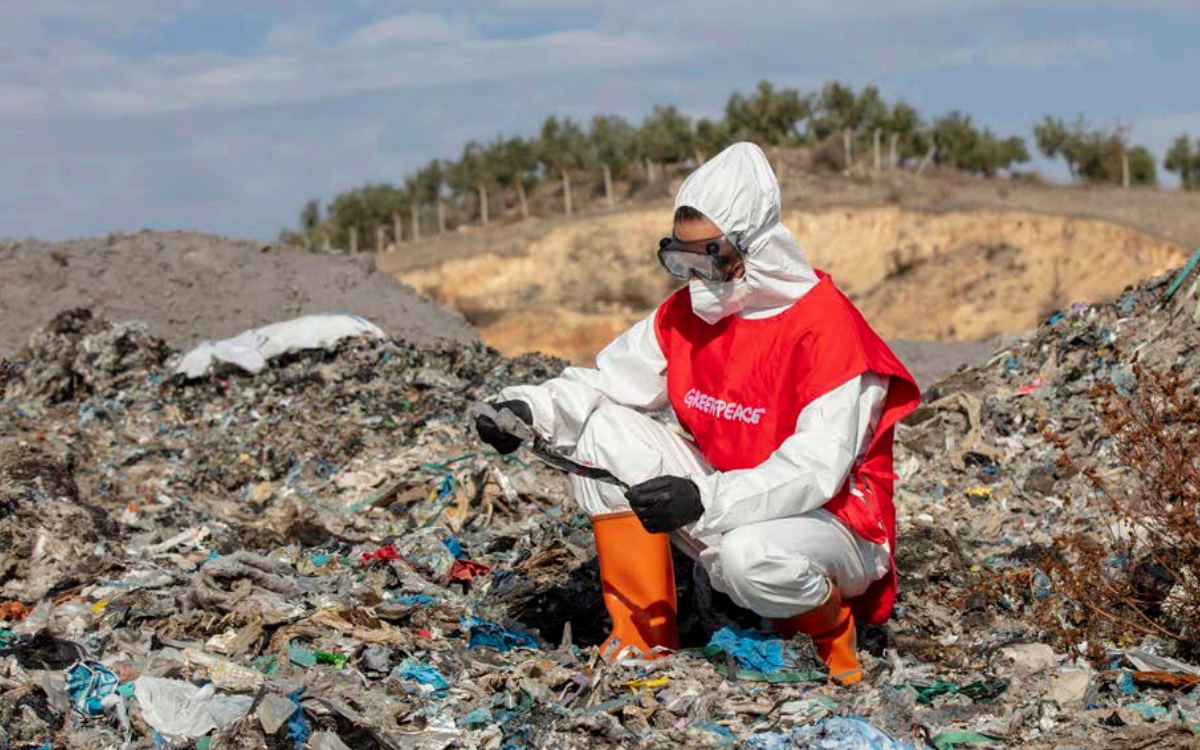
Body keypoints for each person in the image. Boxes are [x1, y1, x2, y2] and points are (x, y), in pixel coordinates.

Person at [474, 142, 919, 685]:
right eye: (679, 257)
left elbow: (815, 470)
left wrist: (704, 500)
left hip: (834, 523)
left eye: (709, 256)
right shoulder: (688, 315)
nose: (695, 275)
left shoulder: (827, 329)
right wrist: (528, 410)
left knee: (747, 557)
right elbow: (606, 383)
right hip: (728, 495)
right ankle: (643, 645)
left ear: (751, 246)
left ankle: (829, 638)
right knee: (598, 427)